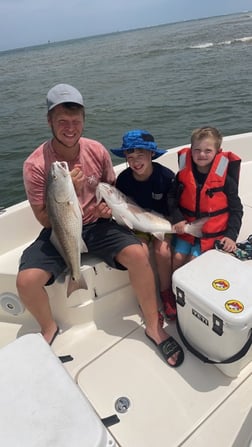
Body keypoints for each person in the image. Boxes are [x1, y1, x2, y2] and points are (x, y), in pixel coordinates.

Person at [16, 83, 184, 368]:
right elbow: (44, 219)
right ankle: (48, 328)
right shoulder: (35, 165)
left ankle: (154, 326)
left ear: (83, 121)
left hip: (98, 224)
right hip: (60, 229)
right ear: (49, 121)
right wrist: (66, 191)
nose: (70, 128)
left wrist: (107, 209)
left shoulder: (96, 150)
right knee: (26, 281)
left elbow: (110, 187)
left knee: (139, 254)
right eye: (62, 122)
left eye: (76, 122)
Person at [111, 129, 177, 320]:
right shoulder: (123, 180)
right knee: (140, 253)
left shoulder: (166, 177)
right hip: (137, 226)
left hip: (161, 222)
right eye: (130, 156)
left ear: (151, 154)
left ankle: (166, 292)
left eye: (140, 155)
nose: (135, 161)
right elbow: (122, 211)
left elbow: (173, 208)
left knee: (162, 252)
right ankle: (147, 297)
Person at [171, 126, 243, 271]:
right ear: (191, 150)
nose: (201, 154)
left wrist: (231, 236)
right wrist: (177, 218)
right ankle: (175, 290)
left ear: (218, 152)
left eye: (208, 150)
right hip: (187, 231)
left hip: (212, 235)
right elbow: (171, 199)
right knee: (177, 258)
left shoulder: (226, 180)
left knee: (193, 261)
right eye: (197, 150)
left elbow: (237, 210)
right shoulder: (182, 176)